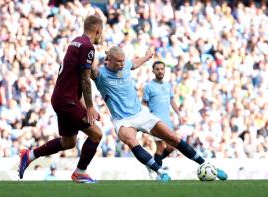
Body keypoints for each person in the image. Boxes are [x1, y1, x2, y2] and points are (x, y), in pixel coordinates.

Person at [91, 46, 228, 182]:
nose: (122, 64)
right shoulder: (99, 74)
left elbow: (133, 64)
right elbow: (86, 71)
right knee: (132, 141)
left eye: (123, 60)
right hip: (122, 120)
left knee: (172, 137)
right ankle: (160, 172)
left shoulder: (125, 65)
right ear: (109, 60)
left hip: (140, 114)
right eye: (118, 62)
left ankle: (207, 165)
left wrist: (147, 56)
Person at [19, 15, 104, 183]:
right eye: (102, 32)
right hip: (67, 100)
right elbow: (85, 79)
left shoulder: (76, 42)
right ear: (97, 30)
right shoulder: (87, 46)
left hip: (61, 97)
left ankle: (30, 155)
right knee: (96, 134)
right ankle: (80, 173)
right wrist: (90, 107)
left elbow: (75, 78)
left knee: (69, 142)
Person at [142, 61, 178, 175]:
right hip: (155, 122)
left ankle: (153, 164)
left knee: (172, 147)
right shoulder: (148, 87)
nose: (160, 71)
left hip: (167, 121)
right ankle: (159, 173)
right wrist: (146, 118)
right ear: (153, 71)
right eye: (157, 69)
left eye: (162, 69)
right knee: (161, 146)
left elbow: (171, 99)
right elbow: (144, 103)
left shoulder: (168, 85)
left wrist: (179, 113)